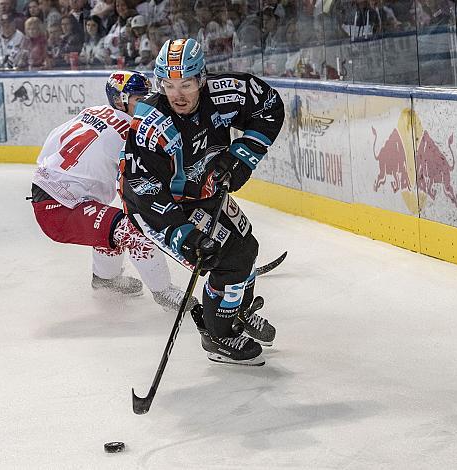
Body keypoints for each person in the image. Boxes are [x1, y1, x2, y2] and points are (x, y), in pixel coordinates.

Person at [119, 38, 285, 365]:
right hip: (161, 207)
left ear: (202, 78)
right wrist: (185, 236)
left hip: (204, 191)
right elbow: (143, 189)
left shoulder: (227, 92)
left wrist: (242, 156)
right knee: (230, 258)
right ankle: (218, 334)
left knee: (246, 247)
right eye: (168, 84)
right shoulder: (152, 123)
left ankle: (235, 312)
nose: (177, 94)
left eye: (186, 84)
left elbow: (268, 106)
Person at [30, 70, 196, 312]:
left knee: (112, 226)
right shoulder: (136, 130)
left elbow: (49, 147)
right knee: (134, 233)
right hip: (61, 208)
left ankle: (105, 280)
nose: (146, 104)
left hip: (48, 192)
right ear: (121, 100)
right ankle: (164, 293)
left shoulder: (91, 112)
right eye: (139, 100)